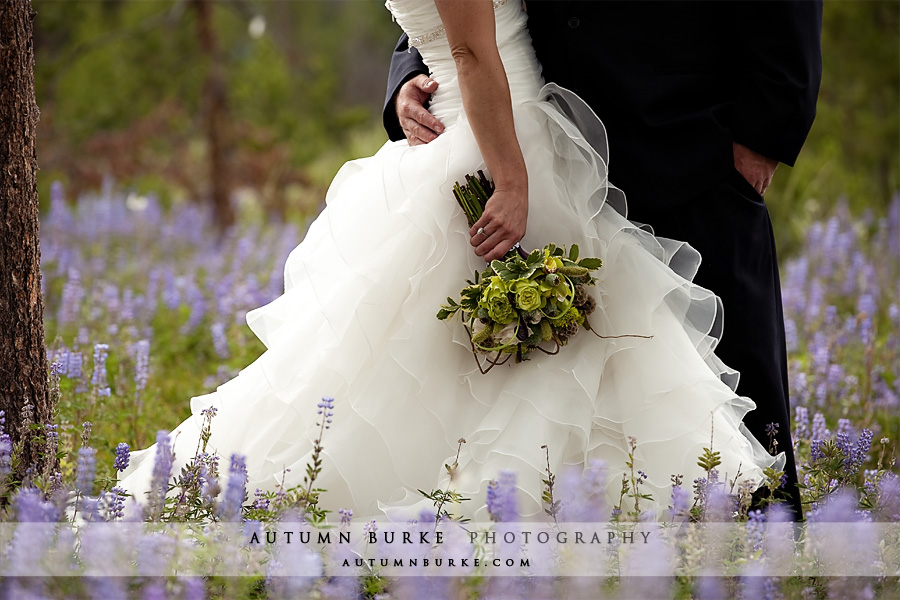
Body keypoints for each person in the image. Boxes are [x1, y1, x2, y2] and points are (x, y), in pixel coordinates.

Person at [120, 0, 789, 522]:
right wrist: (487, 153)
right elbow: (465, 45)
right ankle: (542, 511)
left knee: (584, 333)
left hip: (641, 128)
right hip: (507, 139)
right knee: (531, 337)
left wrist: (769, 126)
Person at [384, 0, 822, 519]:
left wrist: (764, 131)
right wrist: (409, 78)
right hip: (544, 153)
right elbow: (461, 27)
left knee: (733, 374)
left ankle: (766, 559)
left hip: (691, 144)